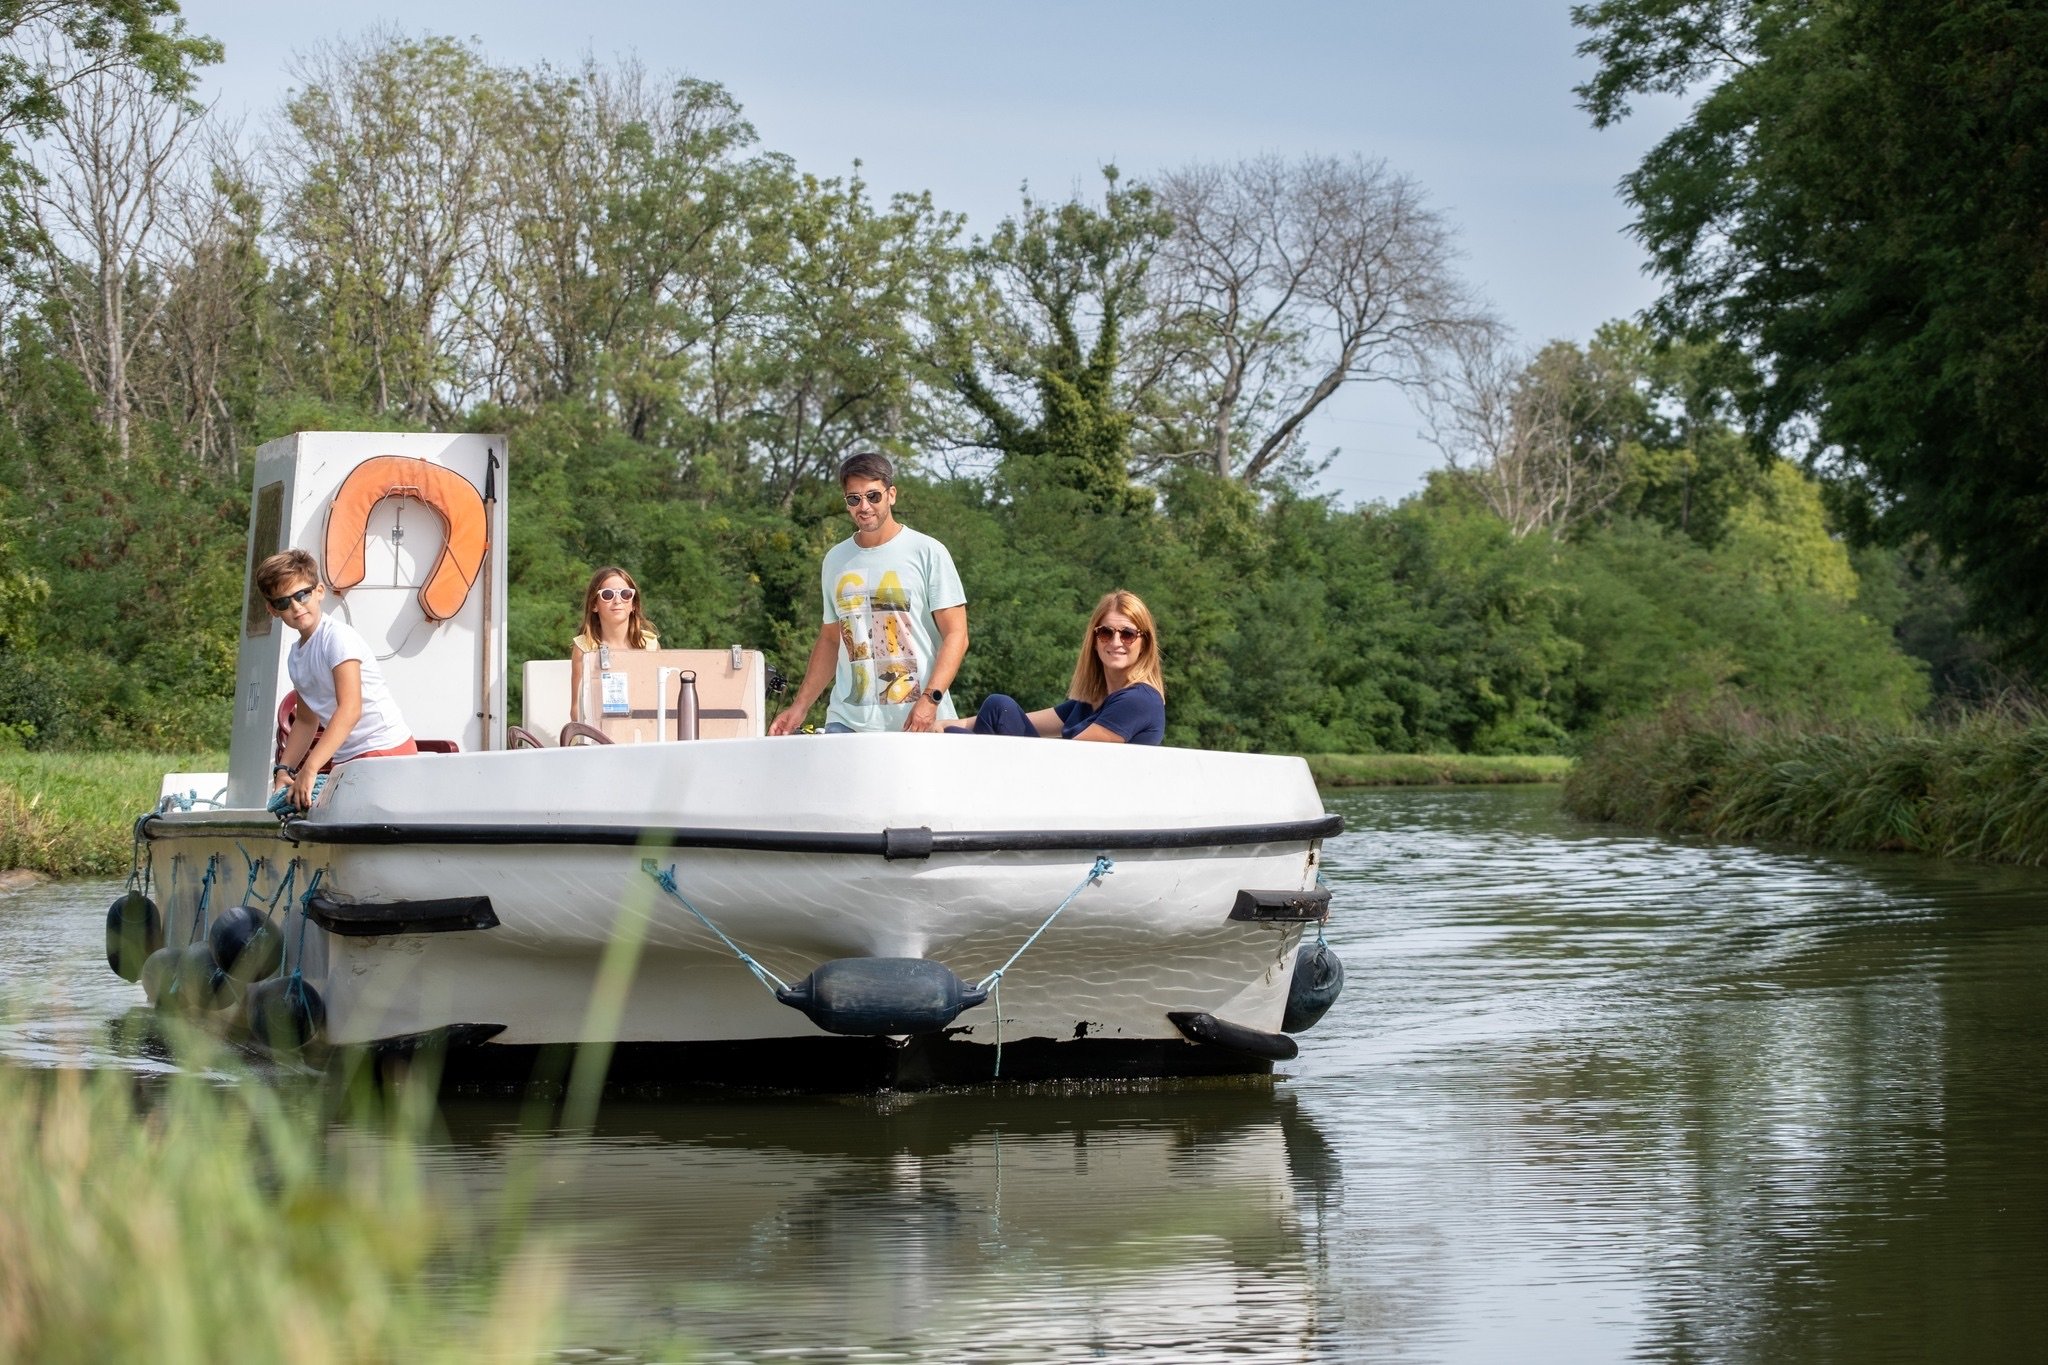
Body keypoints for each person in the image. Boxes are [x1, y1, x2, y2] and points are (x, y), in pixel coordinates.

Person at [769, 452, 968, 735]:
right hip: (848, 721)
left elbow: (957, 635)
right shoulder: (836, 559)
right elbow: (829, 639)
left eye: (873, 496)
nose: (864, 506)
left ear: (892, 495)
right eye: (854, 499)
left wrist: (930, 699)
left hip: (918, 721)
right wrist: (799, 707)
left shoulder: (927, 552)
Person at [257, 548, 417, 812]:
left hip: (385, 751)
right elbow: (308, 721)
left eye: (301, 595)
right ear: (273, 610)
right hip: (348, 760)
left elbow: (350, 709)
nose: (296, 607)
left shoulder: (337, 639)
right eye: (284, 602)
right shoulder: (296, 657)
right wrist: (284, 770)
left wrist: (310, 768)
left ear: (319, 591)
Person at [950, 589, 1166, 745]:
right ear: (1094, 640)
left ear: (1144, 643)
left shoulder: (1138, 700)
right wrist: (942, 724)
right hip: (1059, 782)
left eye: (1127, 634)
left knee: (958, 739)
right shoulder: (1088, 702)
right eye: (1106, 633)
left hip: (1076, 796)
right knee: (997, 706)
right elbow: (1004, 717)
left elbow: (1069, 760)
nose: (1115, 642)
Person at [570, 566, 659, 723]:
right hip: (596, 738)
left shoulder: (650, 645)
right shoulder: (583, 648)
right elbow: (576, 710)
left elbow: (659, 700)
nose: (617, 600)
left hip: (642, 733)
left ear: (634, 604)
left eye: (625, 594)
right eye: (607, 595)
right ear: (594, 605)